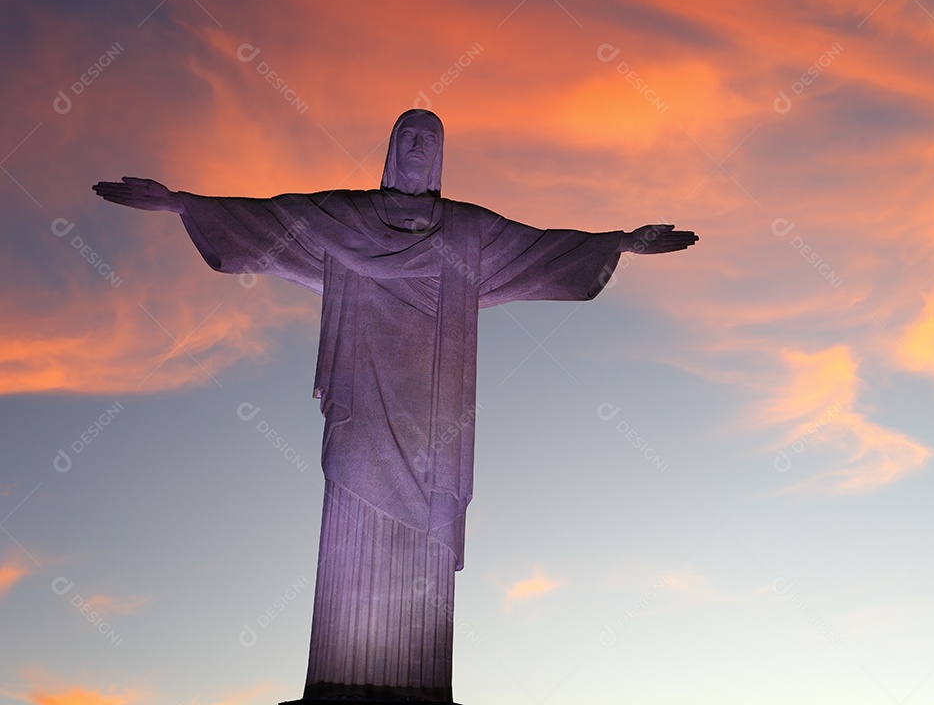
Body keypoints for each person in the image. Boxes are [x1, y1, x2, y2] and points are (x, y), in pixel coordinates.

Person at [94, 109, 697, 703]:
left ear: (437, 158)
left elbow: (540, 250)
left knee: (424, 536)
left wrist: (618, 242)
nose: (415, 145)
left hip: (434, 418)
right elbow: (273, 219)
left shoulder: (466, 233)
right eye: (406, 135)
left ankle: (417, 680)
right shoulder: (346, 216)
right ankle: (339, 676)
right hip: (361, 406)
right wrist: (182, 203)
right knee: (351, 509)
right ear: (389, 148)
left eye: (426, 139)